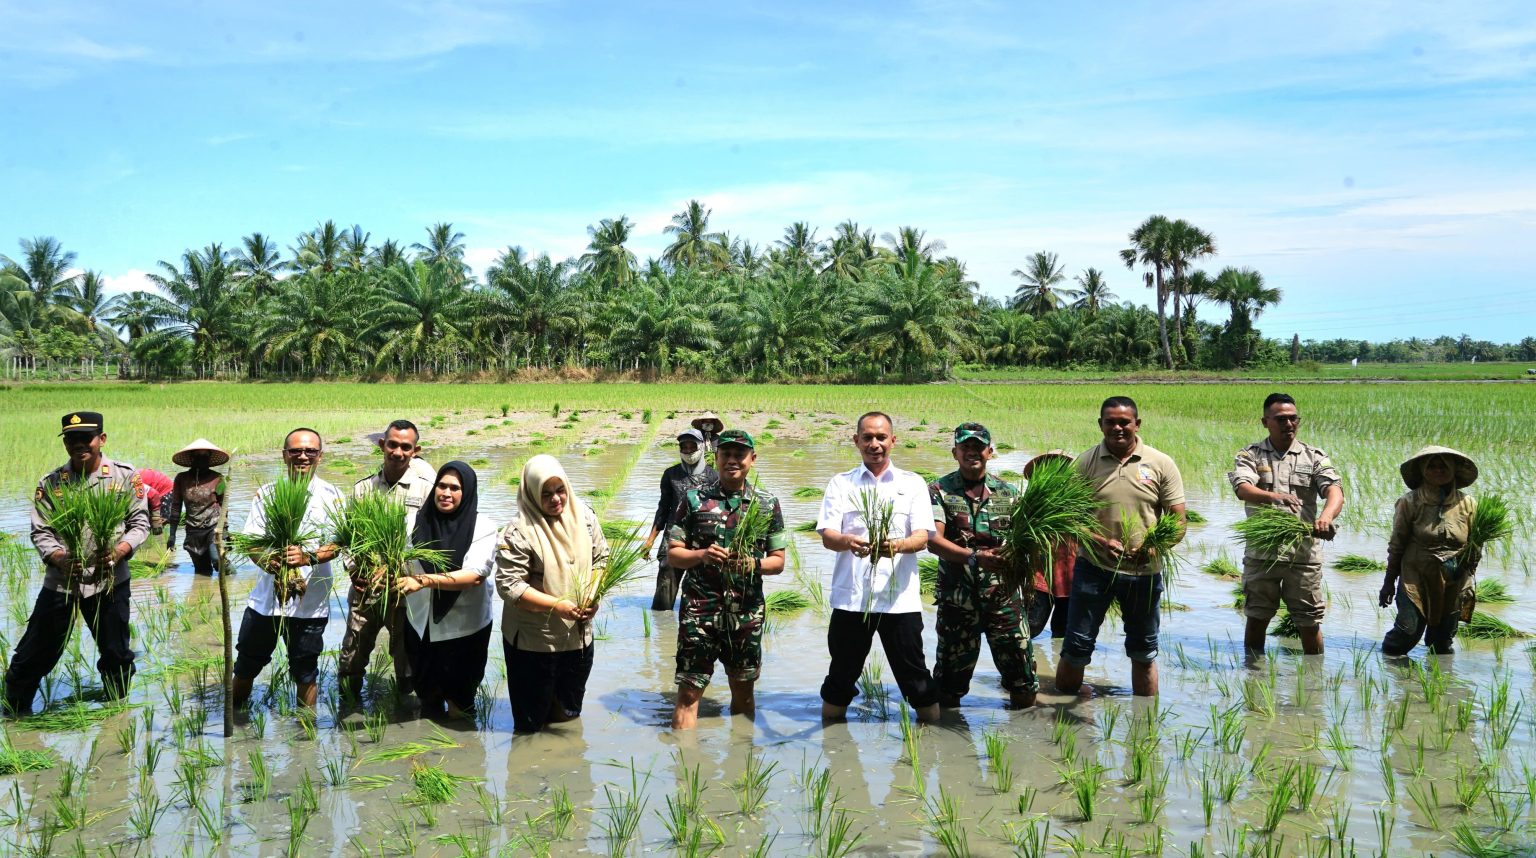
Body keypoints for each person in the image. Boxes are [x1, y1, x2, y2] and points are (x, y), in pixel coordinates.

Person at [5, 411, 149, 715]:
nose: (79, 444)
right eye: (71, 438)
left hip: (110, 581)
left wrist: (121, 549)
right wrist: (59, 557)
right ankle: (15, 715)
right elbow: (41, 530)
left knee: (116, 654)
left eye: (86, 437)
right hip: (62, 583)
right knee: (35, 653)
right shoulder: (52, 483)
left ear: (102, 439)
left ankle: (116, 717)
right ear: (65, 443)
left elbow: (140, 524)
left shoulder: (124, 476)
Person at [1056, 397, 1186, 698]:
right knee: (1076, 647)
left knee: (1144, 652)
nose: (1117, 428)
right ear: (1100, 424)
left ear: (1137, 424)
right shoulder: (1086, 462)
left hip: (1144, 574)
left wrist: (1157, 548)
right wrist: (1100, 541)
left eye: (1124, 422)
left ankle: (1145, 727)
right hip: (1094, 569)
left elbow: (1178, 519)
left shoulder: (1160, 463)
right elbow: (1069, 519)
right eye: (1110, 422)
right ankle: (1060, 720)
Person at [816, 412, 940, 723]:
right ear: (856, 441)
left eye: (881, 437)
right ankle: (833, 748)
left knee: (917, 680)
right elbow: (828, 536)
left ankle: (931, 748)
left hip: (900, 600)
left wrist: (896, 546)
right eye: (867, 437)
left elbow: (922, 537)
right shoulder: (841, 483)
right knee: (840, 678)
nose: (875, 444)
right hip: (851, 600)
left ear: (893, 441)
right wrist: (848, 541)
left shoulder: (912, 484)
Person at [666, 429, 788, 729]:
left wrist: (752, 563)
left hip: (746, 615)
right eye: (726, 454)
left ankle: (742, 764)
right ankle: (685, 768)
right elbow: (673, 554)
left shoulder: (766, 504)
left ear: (752, 459)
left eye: (739, 455)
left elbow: (778, 562)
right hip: (700, 613)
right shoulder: (693, 500)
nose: (732, 460)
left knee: (744, 694)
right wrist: (702, 555)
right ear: (716, 458)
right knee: (689, 695)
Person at [495, 454, 610, 734]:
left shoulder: (584, 517)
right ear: (532, 494)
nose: (556, 499)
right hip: (534, 645)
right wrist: (557, 605)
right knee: (530, 724)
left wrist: (592, 597)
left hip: (579, 639)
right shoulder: (518, 532)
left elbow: (602, 559)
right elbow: (510, 587)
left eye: (561, 490)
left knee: (567, 717)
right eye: (546, 494)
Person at [926, 423, 1038, 709]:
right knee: (949, 684)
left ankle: (1025, 740)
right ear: (955, 452)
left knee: (1023, 677)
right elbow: (933, 541)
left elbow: (1029, 540)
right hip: (957, 601)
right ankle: (949, 745)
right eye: (965, 447)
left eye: (978, 447)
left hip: (1004, 600)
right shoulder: (939, 490)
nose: (972, 452)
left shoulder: (1009, 493)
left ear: (990, 452)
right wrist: (974, 557)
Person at [232, 428, 345, 711]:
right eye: (295, 451)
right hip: (266, 603)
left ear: (320, 457)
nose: (302, 456)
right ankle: (235, 718)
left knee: (305, 671)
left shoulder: (333, 496)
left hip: (310, 604)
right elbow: (251, 543)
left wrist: (307, 558)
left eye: (310, 451)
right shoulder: (266, 494)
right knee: (246, 665)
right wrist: (268, 562)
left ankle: (305, 733)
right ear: (284, 456)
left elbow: (338, 544)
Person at [1229, 393, 1343, 655]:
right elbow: (1243, 488)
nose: (1288, 424)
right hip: (1261, 554)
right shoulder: (1251, 455)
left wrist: (1326, 517)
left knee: (1309, 620)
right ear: (1265, 421)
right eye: (1281, 419)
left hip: (1303, 554)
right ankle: (1254, 677)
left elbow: (1334, 491)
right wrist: (1273, 496)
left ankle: (1314, 681)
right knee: (1257, 616)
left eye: (1293, 419)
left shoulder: (1313, 456)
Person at [339, 419, 435, 701]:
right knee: (351, 660)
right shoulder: (362, 490)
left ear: (415, 451)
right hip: (365, 593)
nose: (398, 452)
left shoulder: (427, 491)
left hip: (405, 595)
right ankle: (346, 715)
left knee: (407, 665)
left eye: (406, 447)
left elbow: (429, 545)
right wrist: (354, 570)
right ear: (382, 445)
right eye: (392, 445)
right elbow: (348, 538)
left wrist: (406, 574)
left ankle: (404, 721)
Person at [394, 461, 498, 720]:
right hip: (420, 624)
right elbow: (400, 563)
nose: (446, 493)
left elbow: (473, 576)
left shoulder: (482, 526)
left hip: (464, 629)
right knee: (427, 696)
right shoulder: (413, 523)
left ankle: (461, 751)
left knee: (460, 702)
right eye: (442, 485)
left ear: (468, 492)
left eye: (455, 488)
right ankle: (430, 751)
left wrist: (424, 580)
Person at [1378, 446, 1482, 656]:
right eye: (1431, 466)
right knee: (1407, 633)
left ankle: (1437, 684)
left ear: (1453, 469)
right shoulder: (1410, 502)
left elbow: (1475, 545)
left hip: (1454, 578)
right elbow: (1397, 545)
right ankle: (1388, 669)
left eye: (1443, 466)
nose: (1437, 470)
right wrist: (1389, 582)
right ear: (1423, 470)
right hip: (1416, 575)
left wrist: (1469, 577)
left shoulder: (1468, 504)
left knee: (1442, 644)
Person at [643, 428, 718, 611]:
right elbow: (663, 509)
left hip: (702, 540)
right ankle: (662, 632)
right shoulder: (671, 475)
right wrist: (650, 540)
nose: (688, 450)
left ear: (701, 447)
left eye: (692, 446)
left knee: (700, 600)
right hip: (673, 537)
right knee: (663, 595)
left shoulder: (713, 477)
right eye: (684, 447)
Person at [1022, 450, 1077, 639]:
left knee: (1063, 634)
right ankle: (1027, 665)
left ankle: (1055, 669)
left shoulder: (1080, 502)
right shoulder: (1032, 503)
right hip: (1040, 577)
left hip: (1072, 577)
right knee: (1031, 628)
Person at [166, 438, 229, 577]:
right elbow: (176, 507)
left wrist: (225, 530)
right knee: (202, 572)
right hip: (193, 530)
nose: (201, 459)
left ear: (209, 458)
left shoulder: (218, 478)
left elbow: (224, 505)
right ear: (192, 458)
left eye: (205, 456)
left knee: (217, 560)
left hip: (213, 526)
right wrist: (172, 535)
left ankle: (232, 577)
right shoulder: (181, 479)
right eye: (198, 456)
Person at [138, 468, 173, 535]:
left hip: (164, 490)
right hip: (152, 489)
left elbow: (154, 494)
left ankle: (158, 538)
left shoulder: (134, 483)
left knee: (160, 520)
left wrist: (156, 517)